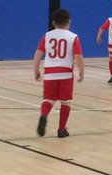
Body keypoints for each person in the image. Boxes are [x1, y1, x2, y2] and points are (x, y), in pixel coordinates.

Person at [34, 8, 84, 139]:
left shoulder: (47, 35)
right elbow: (78, 56)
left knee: (48, 99)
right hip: (66, 74)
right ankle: (61, 130)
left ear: (53, 22)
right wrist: (82, 72)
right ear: (69, 22)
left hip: (50, 73)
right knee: (66, 102)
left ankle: (44, 116)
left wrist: (36, 71)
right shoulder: (73, 37)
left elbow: (38, 54)